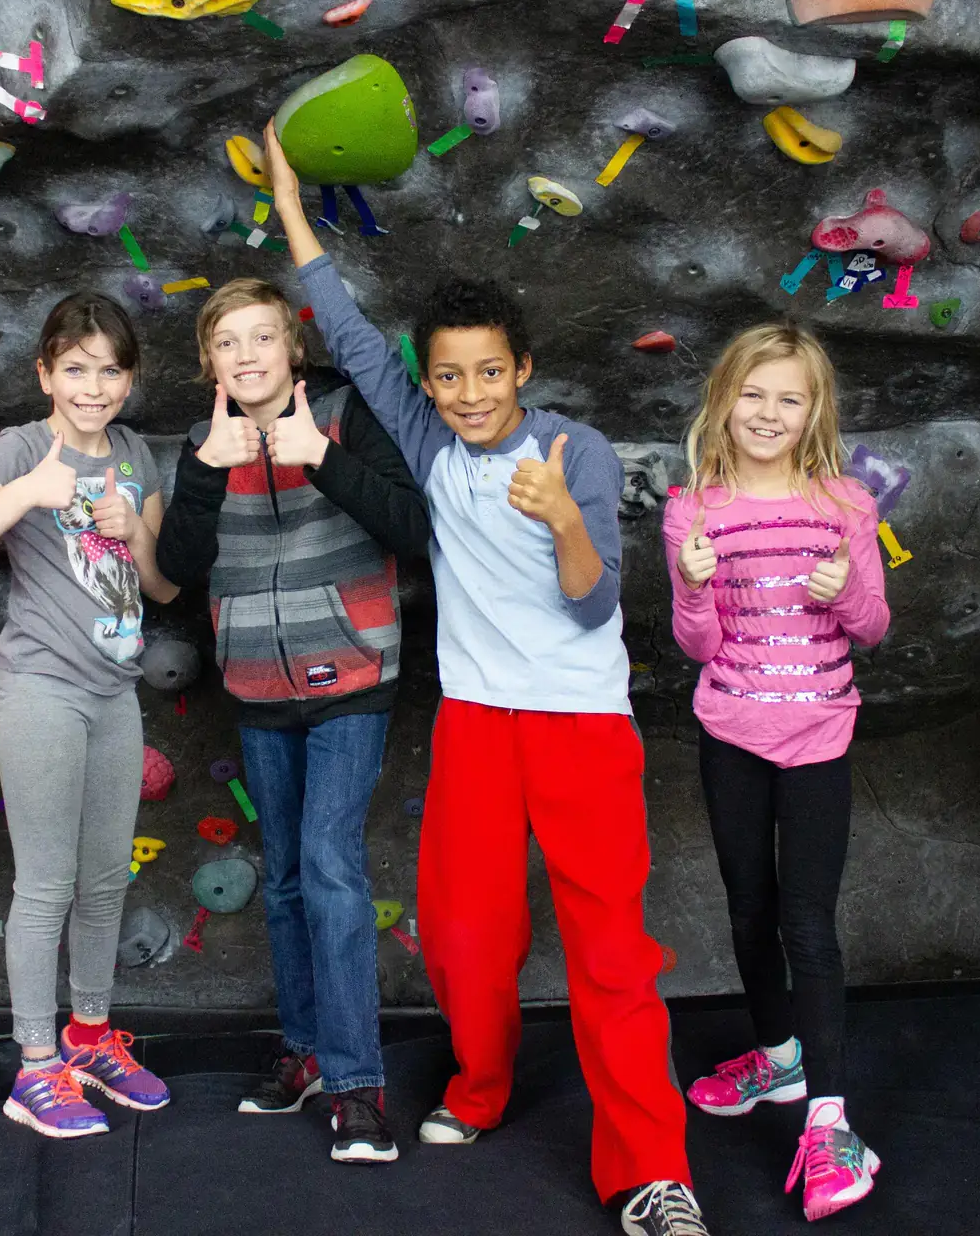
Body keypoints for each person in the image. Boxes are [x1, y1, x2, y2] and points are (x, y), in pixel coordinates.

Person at [264, 124, 709, 1236]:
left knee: (610, 955)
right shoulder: (426, 438)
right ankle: (481, 1089)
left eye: (489, 373)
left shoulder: (575, 454)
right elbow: (353, 335)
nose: (468, 394)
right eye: (449, 375)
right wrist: (284, 193)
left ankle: (655, 1174)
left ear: (524, 371)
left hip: (579, 731)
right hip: (476, 726)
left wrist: (563, 520)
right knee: (465, 939)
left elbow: (596, 602)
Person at [155, 278, 431, 1164]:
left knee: (328, 871)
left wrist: (318, 455)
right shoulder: (205, 443)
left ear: (292, 349)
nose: (247, 356)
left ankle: (358, 1087)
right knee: (280, 883)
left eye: (262, 338)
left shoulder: (346, 418)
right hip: (257, 689)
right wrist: (203, 472)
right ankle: (306, 1052)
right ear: (210, 363)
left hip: (350, 677)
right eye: (228, 343)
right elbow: (180, 566)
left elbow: (414, 526)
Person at [0, 293, 178, 1138]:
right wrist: (28, 489)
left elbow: (164, 586)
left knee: (106, 881)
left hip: (114, 692)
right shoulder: (23, 446)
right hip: (40, 691)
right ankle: (34, 1067)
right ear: (44, 373)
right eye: (74, 368)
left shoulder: (136, 453)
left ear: (129, 379)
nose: (92, 386)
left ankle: (90, 1038)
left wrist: (134, 529)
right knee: (47, 886)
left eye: (108, 370)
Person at [662, 323, 891, 1223]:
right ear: (724, 399)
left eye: (788, 398)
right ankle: (779, 1056)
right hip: (732, 730)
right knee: (749, 905)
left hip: (820, 734)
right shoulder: (695, 508)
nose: (768, 412)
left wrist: (849, 596)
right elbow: (698, 643)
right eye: (753, 394)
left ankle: (830, 1124)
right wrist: (689, 586)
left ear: (813, 411)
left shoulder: (844, 501)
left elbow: (873, 626)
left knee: (808, 921)